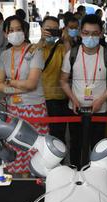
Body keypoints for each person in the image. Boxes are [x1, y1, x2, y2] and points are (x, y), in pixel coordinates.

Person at [60, 14, 107, 167]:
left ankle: (95, 175)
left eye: (94, 33)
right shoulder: (71, 54)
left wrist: (101, 100)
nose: (90, 37)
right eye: (86, 33)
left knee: (97, 145)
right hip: (75, 108)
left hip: (99, 110)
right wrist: (73, 99)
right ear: (80, 33)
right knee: (75, 143)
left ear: (101, 33)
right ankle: (75, 171)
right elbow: (63, 80)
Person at [0, 15, 47, 176]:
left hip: (34, 107)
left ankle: (37, 185)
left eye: (18, 29)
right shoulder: (4, 54)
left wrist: (10, 83)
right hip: (13, 108)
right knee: (16, 148)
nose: (15, 33)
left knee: (35, 149)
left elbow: (32, 84)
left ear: (24, 31)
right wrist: (19, 87)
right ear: (5, 33)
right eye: (11, 30)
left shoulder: (34, 51)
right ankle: (22, 186)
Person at [37, 16, 69, 152]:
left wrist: (67, 40)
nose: (51, 32)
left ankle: (59, 164)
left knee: (58, 136)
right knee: (42, 136)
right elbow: (32, 62)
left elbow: (70, 63)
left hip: (59, 99)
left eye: (55, 30)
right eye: (48, 29)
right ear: (41, 29)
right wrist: (41, 41)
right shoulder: (35, 48)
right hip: (40, 99)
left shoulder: (61, 48)